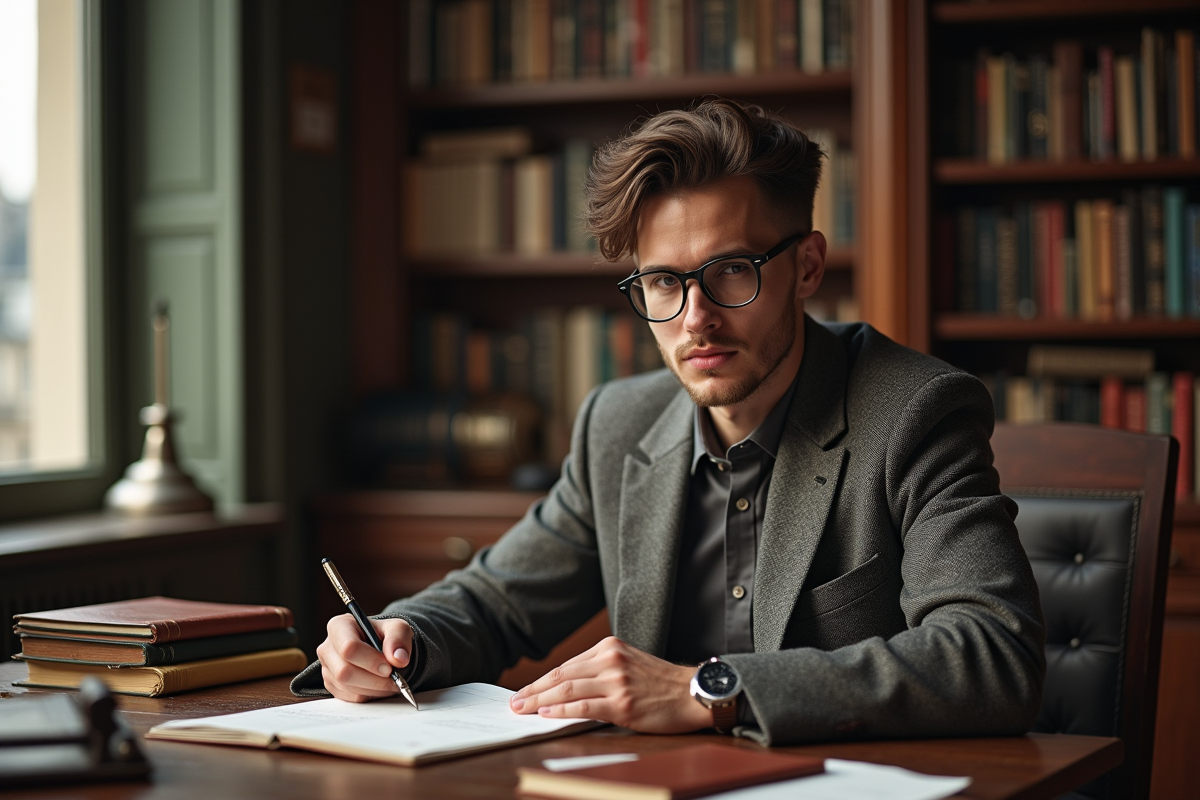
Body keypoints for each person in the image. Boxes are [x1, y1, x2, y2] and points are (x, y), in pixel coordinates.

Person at [298, 99, 1045, 745]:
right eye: (662, 281)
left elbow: (991, 656)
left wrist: (707, 690)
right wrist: (398, 639)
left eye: (730, 272)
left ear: (808, 267)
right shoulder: (618, 424)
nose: (696, 322)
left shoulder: (916, 411)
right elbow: (496, 602)